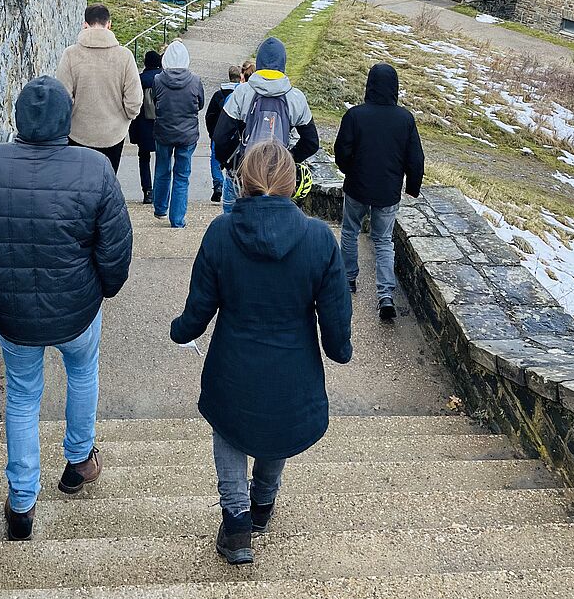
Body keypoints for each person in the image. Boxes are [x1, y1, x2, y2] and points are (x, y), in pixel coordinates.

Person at [0, 77, 132, 541]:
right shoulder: (94, 169)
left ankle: (22, 504)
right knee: (82, 373)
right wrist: (103, 290)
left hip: (12, 312)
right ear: (64, 120)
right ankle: (77, 462)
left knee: (22, 396)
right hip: (77, 308)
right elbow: (115, 251)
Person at [171, 141, 352, 566]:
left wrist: (181, 331)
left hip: (233, 363)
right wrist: (339, 349)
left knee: (231, 429)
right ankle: (263, 506)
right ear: (292, 183)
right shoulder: (318, 239)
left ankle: (235, 525)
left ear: (243, 181)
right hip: (293, 367)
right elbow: (336, 314)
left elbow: (199, 308)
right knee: (277, 428)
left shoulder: (221, 233)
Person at [333, 62, 424, 320]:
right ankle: (385, 295)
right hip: (388, 190)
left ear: (369, 85)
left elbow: (342, 151)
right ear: (395, 88)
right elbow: (415, 159)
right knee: (384, 241)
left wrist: (349, 170)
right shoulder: (405, 119)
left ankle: (349, 279)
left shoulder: (355, 115)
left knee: (350, 231)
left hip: (358, 186)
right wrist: (412, 187)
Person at [213, 36, 319, 214]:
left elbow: (220, 136)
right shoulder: (296, 98)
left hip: (244, 173)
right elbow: (311, 142)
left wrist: (231, 163)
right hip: (277, 177)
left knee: (232, 228)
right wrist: (289, 159)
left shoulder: (242, 93)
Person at [57, 3, 143, 174]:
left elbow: (62, 98)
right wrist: (126, 117)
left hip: (77, 133)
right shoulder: (124, 56)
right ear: (109, 24)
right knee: (106, 187)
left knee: (78, 186)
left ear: (85, 24)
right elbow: (134, 100)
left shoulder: (70, 54)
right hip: (113, 134)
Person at [152, 40, 205, 228]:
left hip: (164, 132)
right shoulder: (195, 80)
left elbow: (154, 99)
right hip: (187, 134)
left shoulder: (158, 79)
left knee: (162, 170)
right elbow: (200, 104)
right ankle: (177, 219)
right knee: (182, 176)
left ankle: (159, 208)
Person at [128, 50, 163, 204]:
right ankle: (161, 190)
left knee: (144, 158)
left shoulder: (139, 79)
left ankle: (147, 190)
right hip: (161, 124)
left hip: (143, 124)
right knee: (162, 157)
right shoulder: (163, 78)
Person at [205, 65, 241, 203]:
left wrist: (212, 132)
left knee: (215, 159)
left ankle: (218, 184)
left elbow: (209, 116)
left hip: (218, 133)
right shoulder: (241, 95)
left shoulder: (218, 95)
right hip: (236, 135)